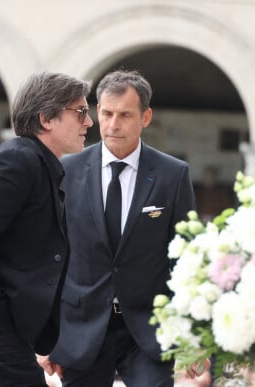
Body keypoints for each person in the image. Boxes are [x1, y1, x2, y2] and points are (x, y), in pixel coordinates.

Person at [38, 69, 201, 386]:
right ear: (97, 112)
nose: (113, 125)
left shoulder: (173, 175)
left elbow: (188, 259)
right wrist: (44, 337)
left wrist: (194, 335)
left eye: (125, 115)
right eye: (107, 113)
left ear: (146, 117)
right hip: (82, 331)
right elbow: (48, 258)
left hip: (150, 332)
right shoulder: (65, 171)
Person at [0, 72, 93, 386]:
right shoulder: (19, 161)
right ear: (46, 118)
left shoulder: (38, 162)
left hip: (14, 330)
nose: (89, 123)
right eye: (81, 112)